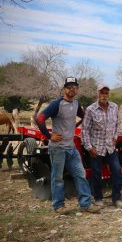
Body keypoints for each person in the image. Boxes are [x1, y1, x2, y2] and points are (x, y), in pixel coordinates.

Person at [36, 77, 100, 214]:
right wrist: (49, 136)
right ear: (64, 89)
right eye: (69, 87)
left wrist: (78, 125)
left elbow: (85, 116)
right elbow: (40, 118)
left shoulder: (76, 104)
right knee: (57, 177)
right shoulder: (57, 104)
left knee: (81, 174)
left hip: (71, 148)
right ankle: (58, 206)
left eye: (74, 87)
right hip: (58, 148)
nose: (72, 89)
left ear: (77, 89)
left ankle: (86, 204)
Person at [81, 84, 122, 209]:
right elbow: (85, 130)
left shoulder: (114, 107)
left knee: (117, 171)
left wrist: (115, 137)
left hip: (110, 148)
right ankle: (99, 198)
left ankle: (116, 198)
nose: (104, 95)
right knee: (96, 174)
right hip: (97, 148)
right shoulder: (91, 109)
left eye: (106, 93)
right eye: (102, 93)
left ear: (108, 94)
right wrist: (89, 147)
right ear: (98, 94)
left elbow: (118, 124)